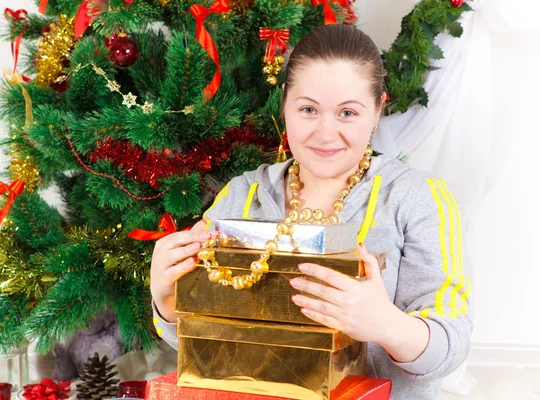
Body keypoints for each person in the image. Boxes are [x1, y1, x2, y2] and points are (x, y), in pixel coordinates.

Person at [149, 24, 472, 399]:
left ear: (378, 109)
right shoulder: (243, 193)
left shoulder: (417, 197)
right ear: (284, 103)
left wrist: (387, 325)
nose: (325, 132)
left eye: (348, 113)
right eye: (308, 109)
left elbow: (452, 344)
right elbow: (202, 343)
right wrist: (168, 302)